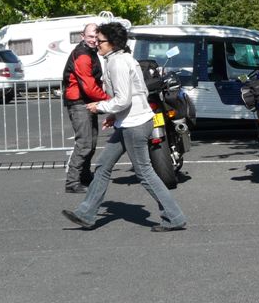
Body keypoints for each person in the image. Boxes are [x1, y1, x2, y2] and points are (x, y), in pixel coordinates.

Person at [61, 22, 187, 232]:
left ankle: (174, 217)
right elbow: (138, 93)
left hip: (134, 124)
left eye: (100, 41)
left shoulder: (117, 63)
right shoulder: (123, 58)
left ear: (112, 43)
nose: (97, 44)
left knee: (145, 173)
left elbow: (123, 99)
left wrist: (99, 106)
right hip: (130, 121)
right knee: (103, 166)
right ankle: (86, 214)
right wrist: (114, 115)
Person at [62, 23, 109, 193]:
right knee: (84, 143)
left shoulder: (90, 52)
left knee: (92, 141)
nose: (93, 40)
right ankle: (72, 182)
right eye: (90, 37)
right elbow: (88, 86)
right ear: (83, 36)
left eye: (96, 38)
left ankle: (85, 176)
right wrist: (109, 100)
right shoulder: (82, 55)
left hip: (86, 102)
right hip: (78, 102)